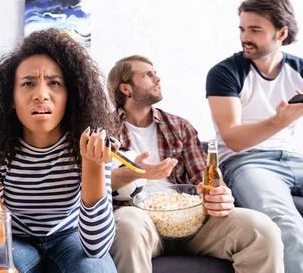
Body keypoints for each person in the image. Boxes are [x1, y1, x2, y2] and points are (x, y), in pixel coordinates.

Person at [206, 0, 303, 273]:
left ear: (281, 33)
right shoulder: (224, 73)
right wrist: (280, 120)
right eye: (242, 28)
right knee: (286, 224)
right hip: (246, 163)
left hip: (295, 161)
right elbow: (234, 139)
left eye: (255, 30)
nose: (245, 37)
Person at [108, 55, 284, 273]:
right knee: (127, 224)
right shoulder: (104, 131)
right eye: (148, 74)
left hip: (192, 221)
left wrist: (219, 194)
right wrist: (136, 173)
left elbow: (204, 177)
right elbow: (92, 185)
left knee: (261, 228)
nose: (158, 78)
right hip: (140, 220)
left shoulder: (179, 126)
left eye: (155, 72)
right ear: (126, 89)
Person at [0, 29, 118, 273]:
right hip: (14, 239)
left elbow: (96, 248)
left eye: (54, 83)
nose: (41, 95)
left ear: (70, 95)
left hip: (71, 237)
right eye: (28, 84)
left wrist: (93, 165)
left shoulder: (91, 143)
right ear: (10, 98)